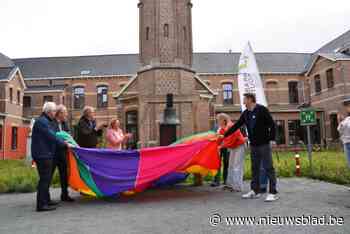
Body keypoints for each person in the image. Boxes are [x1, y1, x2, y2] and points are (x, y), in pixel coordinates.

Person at [220, 93, 278, 202]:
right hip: (254, 145)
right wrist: (225, 135)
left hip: (264, 144)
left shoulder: (262, 110)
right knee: (254, 168)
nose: (243, 101)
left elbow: (272, 124)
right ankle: (254, 191)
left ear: (250, 99)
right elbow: (237, 125)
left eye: (244, 99)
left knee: (268, 167)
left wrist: (272, 139)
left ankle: (272, 192)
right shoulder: (245, 113)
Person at [31, 102, 70, 212]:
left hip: (45, 154)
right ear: (48, 112)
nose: (55, 113)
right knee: (44, 180)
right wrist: (65, 144)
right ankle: (41, 205)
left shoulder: (44, 121)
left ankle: (46, 201)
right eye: (53, 111)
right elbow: (51, 136)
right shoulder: (42, 122)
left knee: (46, 180)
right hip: (43, 155)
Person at [216, 113, 246, 192]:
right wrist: (216, 144)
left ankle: (238, 186)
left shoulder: (230, 126)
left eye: (218, 120)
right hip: (233, 147)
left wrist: (220, 146)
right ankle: (230, 185)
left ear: (223, 120)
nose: (217, 122)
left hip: (239, 146)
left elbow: (230, 139)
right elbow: (220, 138)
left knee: (237, 166)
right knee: (231, 166)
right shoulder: (223, 127)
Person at [50, 105, 74, 202]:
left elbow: (68, 135)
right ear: (59, 113)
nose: (66, 115)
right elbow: (53, 137)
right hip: (53, 153)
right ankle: (45, 197)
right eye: (65, 113)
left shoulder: (65, 123)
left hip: (63, 152)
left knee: (64, 174)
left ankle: (65, 195)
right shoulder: (51, 123)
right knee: (49, 175)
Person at [338, 98, 350, 171]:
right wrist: (340, 121)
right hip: (346, 143)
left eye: (348, 106)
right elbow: (340, 130)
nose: (347, 108)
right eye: (346, 106)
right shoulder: (346, 119)